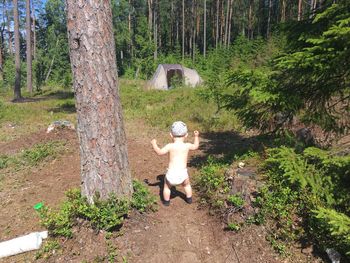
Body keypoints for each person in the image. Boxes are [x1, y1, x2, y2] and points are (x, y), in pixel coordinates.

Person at [151, 121, 199, 206]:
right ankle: (189, 199)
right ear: (186, 135)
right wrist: (196, 136)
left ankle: (166, 202)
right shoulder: (187, 145)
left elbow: (159, 152)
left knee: (166, 187)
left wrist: (154, 144)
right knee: (187, 185)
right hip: (183, 174)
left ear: (171, 135)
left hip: (171, 174)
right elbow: (195, 146)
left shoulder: (170, 146)